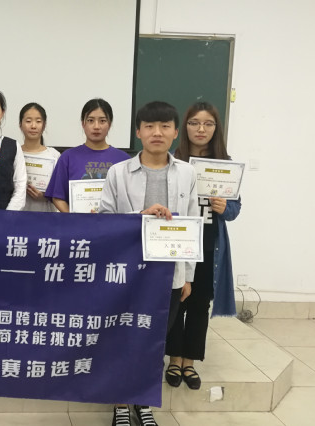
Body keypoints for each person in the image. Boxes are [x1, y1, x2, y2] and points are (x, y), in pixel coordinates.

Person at [99, 101, 199, 426]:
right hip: (127, 273)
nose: (157, 132)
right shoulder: (118, 172)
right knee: (121, 338)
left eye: (165, 126)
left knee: (154, 342)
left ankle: (143, 402)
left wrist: (188, 276)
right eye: (150, 126)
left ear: (175, 132)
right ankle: (120, 403)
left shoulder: (187, 174)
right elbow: (104, 221)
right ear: (138, 132)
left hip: (168, 274)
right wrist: (138, 217)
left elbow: (192, 225)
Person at [164, 102, 241, 390]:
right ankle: (174, 358)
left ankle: (190, 361)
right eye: (194, 123)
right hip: (179, 242)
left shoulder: (225, 164)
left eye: (208, 124)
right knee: (176, 301)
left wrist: (224, 207)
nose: (201, 129)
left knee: (199, 305)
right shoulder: (173, 160)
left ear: (216, 129)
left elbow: (235, 209)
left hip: (209, 246)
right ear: (184, 127)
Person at [44, 98, 130, 212]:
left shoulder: (124, 160)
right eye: (90, 120)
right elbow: (57, 197)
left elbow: (131, 199)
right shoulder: (68, 157)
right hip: (77, 223)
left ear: (109, 124)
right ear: (83, 124)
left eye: (102, 121)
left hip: (113, 222)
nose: (96, 126)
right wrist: (75, 218)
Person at [18, 102, 61, 212]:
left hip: (46, 217)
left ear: (44, 125)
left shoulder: (54, 155)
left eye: (38, 121)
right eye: (28, 121)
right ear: (20, 125)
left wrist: (45, 196)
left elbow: (61, 192)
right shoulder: (14, 153)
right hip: (17, 217)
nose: (33, 126)